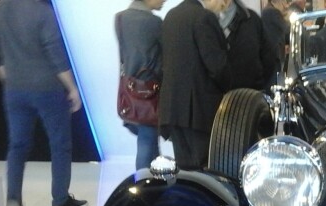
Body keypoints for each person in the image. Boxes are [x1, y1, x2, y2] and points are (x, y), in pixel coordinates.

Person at [0, 0, 88, 206]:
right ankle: (60, 199)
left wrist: (10, 80)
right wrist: (72, 88)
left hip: (14, 89)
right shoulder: (41, 11)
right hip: (47, 88)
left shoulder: (1, 8)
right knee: (60, 143)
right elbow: (55, 54)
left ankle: (13, 201)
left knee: (17, 146)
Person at [159, 0, 232, 171]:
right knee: (205, 170)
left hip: (173, 108)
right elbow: (216, 65)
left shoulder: (171, 16)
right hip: (199, 109)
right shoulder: (204, 17)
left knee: (184, 170)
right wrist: (229, 89)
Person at [115, 0, 166, 171]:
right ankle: (143, 184)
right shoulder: (154, 22)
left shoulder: (120, 18)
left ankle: (153, 183)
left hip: (130, 90)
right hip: (151, 92)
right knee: (147, 142)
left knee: (148, 142)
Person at [217, 0, 274, 91]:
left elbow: (269, 58)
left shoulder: (206, 22)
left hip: (232, 94)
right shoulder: (251, 18)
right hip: (254, 91)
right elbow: (269, 59)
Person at [260, 0, 290, 91]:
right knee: (275, 86)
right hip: (273, 57)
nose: (285, 4)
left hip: (272, 55)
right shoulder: (272, 12)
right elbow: (287, 30)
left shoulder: (267, 11)